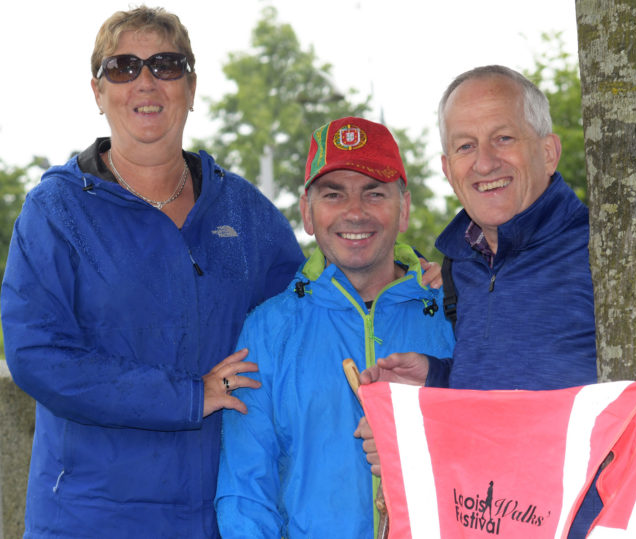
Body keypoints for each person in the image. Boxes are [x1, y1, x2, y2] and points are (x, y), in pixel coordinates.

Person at [0, 7, 303, 538]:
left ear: (190, 84)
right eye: (123, 67)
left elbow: (308, 314)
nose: (145, 81)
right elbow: (36, 356)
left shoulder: (245, 212)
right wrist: (189, 396)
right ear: (97, 92)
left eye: (166, 65)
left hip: (218, 517)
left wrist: (408, 279)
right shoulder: (56, 211)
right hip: (88, 518)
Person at [355, 65, 598, 537]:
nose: (484, 163)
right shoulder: (458, 266)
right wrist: (435, 385)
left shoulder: (600, 254)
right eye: (466, 146)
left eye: (503, 138)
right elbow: (500, 397)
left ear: (548, 152)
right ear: (448, 169)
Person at [214, 116, 455, 538]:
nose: (355, 212)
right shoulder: (268, 331)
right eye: (333, 194)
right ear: (307, 212)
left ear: (404, 209)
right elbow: (246, 491)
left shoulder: (455, 310)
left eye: (374, 193)